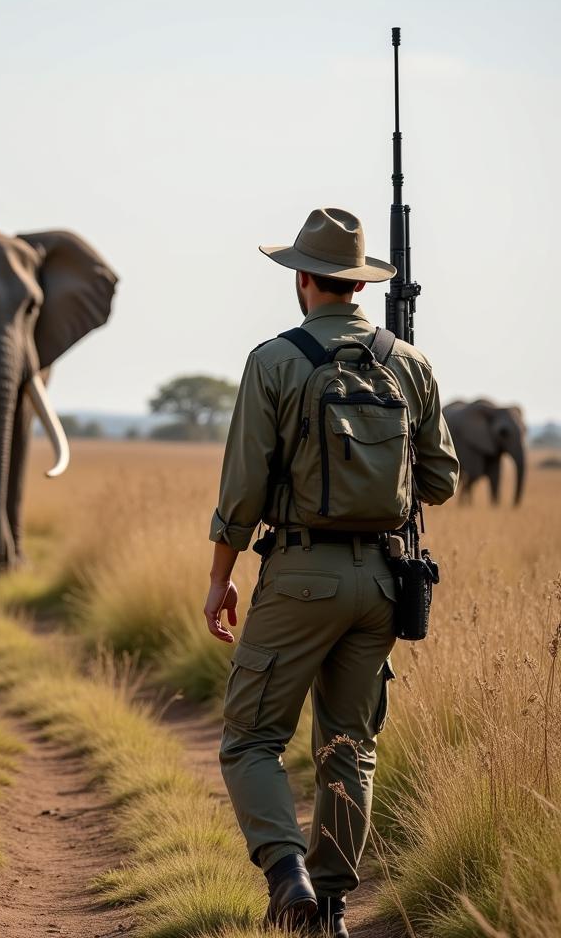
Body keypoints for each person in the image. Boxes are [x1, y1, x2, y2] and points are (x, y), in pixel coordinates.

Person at [202, 208, 458, 937]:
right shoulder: (407, 362)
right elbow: (439, 481)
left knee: (251, 739)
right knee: (350, 745)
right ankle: (335, 909)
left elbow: (243, 491)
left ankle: (288, 878)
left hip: (298, 577)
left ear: (304, 281)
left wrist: (220, 576)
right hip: (384, 582)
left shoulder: (274, 360)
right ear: (360, 284)